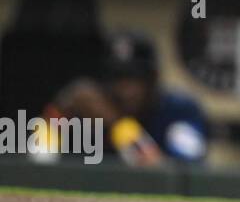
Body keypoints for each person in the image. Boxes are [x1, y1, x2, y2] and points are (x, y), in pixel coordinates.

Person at [50, 31, 208, 164]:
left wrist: (117, 123)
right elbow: (38, 159)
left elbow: (171, 173)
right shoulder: (88, 109)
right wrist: (58, 112)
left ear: (151, 80)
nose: (124, 90)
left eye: (134, 78)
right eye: (117, 78)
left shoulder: (178, 110)